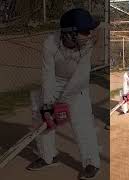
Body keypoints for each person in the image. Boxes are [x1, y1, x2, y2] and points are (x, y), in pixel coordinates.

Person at [27, 8, 100, 179]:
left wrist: (61, 105)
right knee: (42, 118)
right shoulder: (50, 44)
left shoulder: (87, 45)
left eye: (89, 30)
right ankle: (47, 157)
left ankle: (91, 162)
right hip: (56, 81)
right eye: (84, 31)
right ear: (69, 33)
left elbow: (79, 79)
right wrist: (47, 105)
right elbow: (47, 75)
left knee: (81, 121)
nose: (89, 34)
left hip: (77, 84)